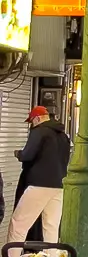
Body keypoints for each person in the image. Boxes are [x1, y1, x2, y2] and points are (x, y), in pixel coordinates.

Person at [8, 106, 70, 247]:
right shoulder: (63, 135)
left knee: (18, 223)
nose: (32, 125)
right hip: (58, 186)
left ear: (37, 119)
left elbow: (28, 154)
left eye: (31, 122)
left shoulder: (40, 131)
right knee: (51, 227)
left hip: (39, 184)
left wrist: (19, 154)